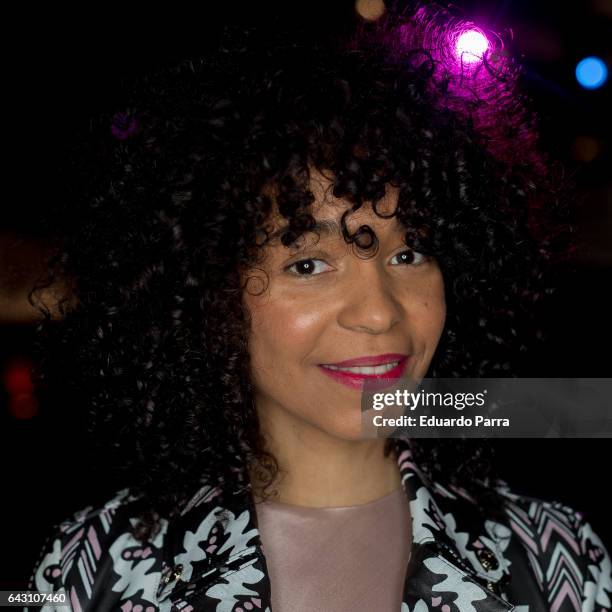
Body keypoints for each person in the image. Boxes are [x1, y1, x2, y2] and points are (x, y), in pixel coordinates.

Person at [26, 3, 611, 611]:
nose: (378, 313)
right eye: (308, 265)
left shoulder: (554, 556)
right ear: (208, 292)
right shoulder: (88, 569)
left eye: (410, 255)